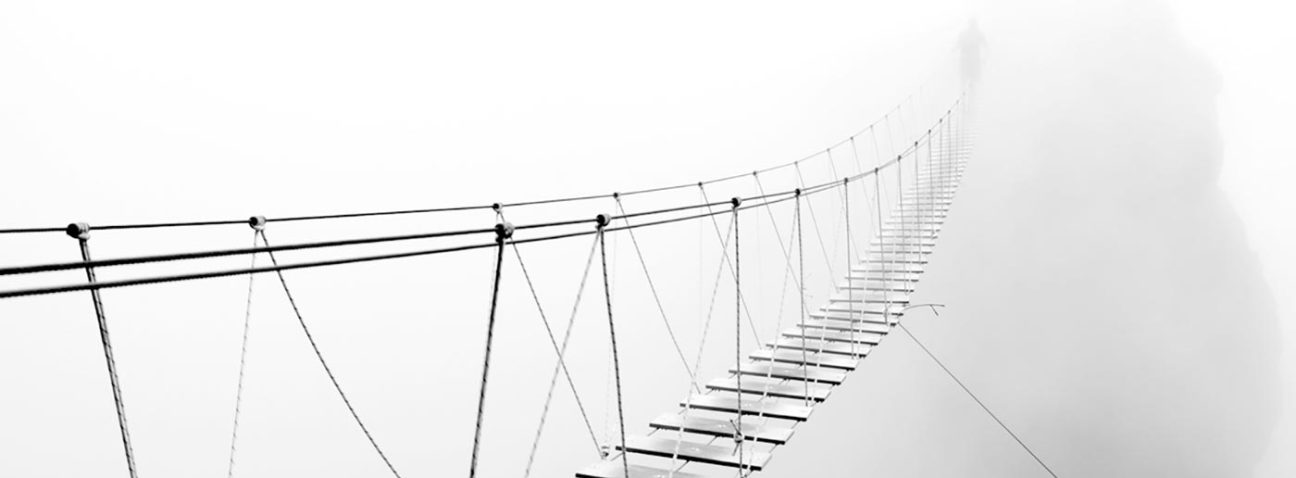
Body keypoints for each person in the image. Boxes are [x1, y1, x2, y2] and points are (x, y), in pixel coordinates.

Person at [958, 19, 987, 86]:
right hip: (971, 59)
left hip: (968, 59)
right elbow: (985, 44)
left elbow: (958, 44)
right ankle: (968, 90)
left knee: (968, 78)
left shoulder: (965, 33)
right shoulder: (978, 33)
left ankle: (967, 90)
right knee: (971, 78)